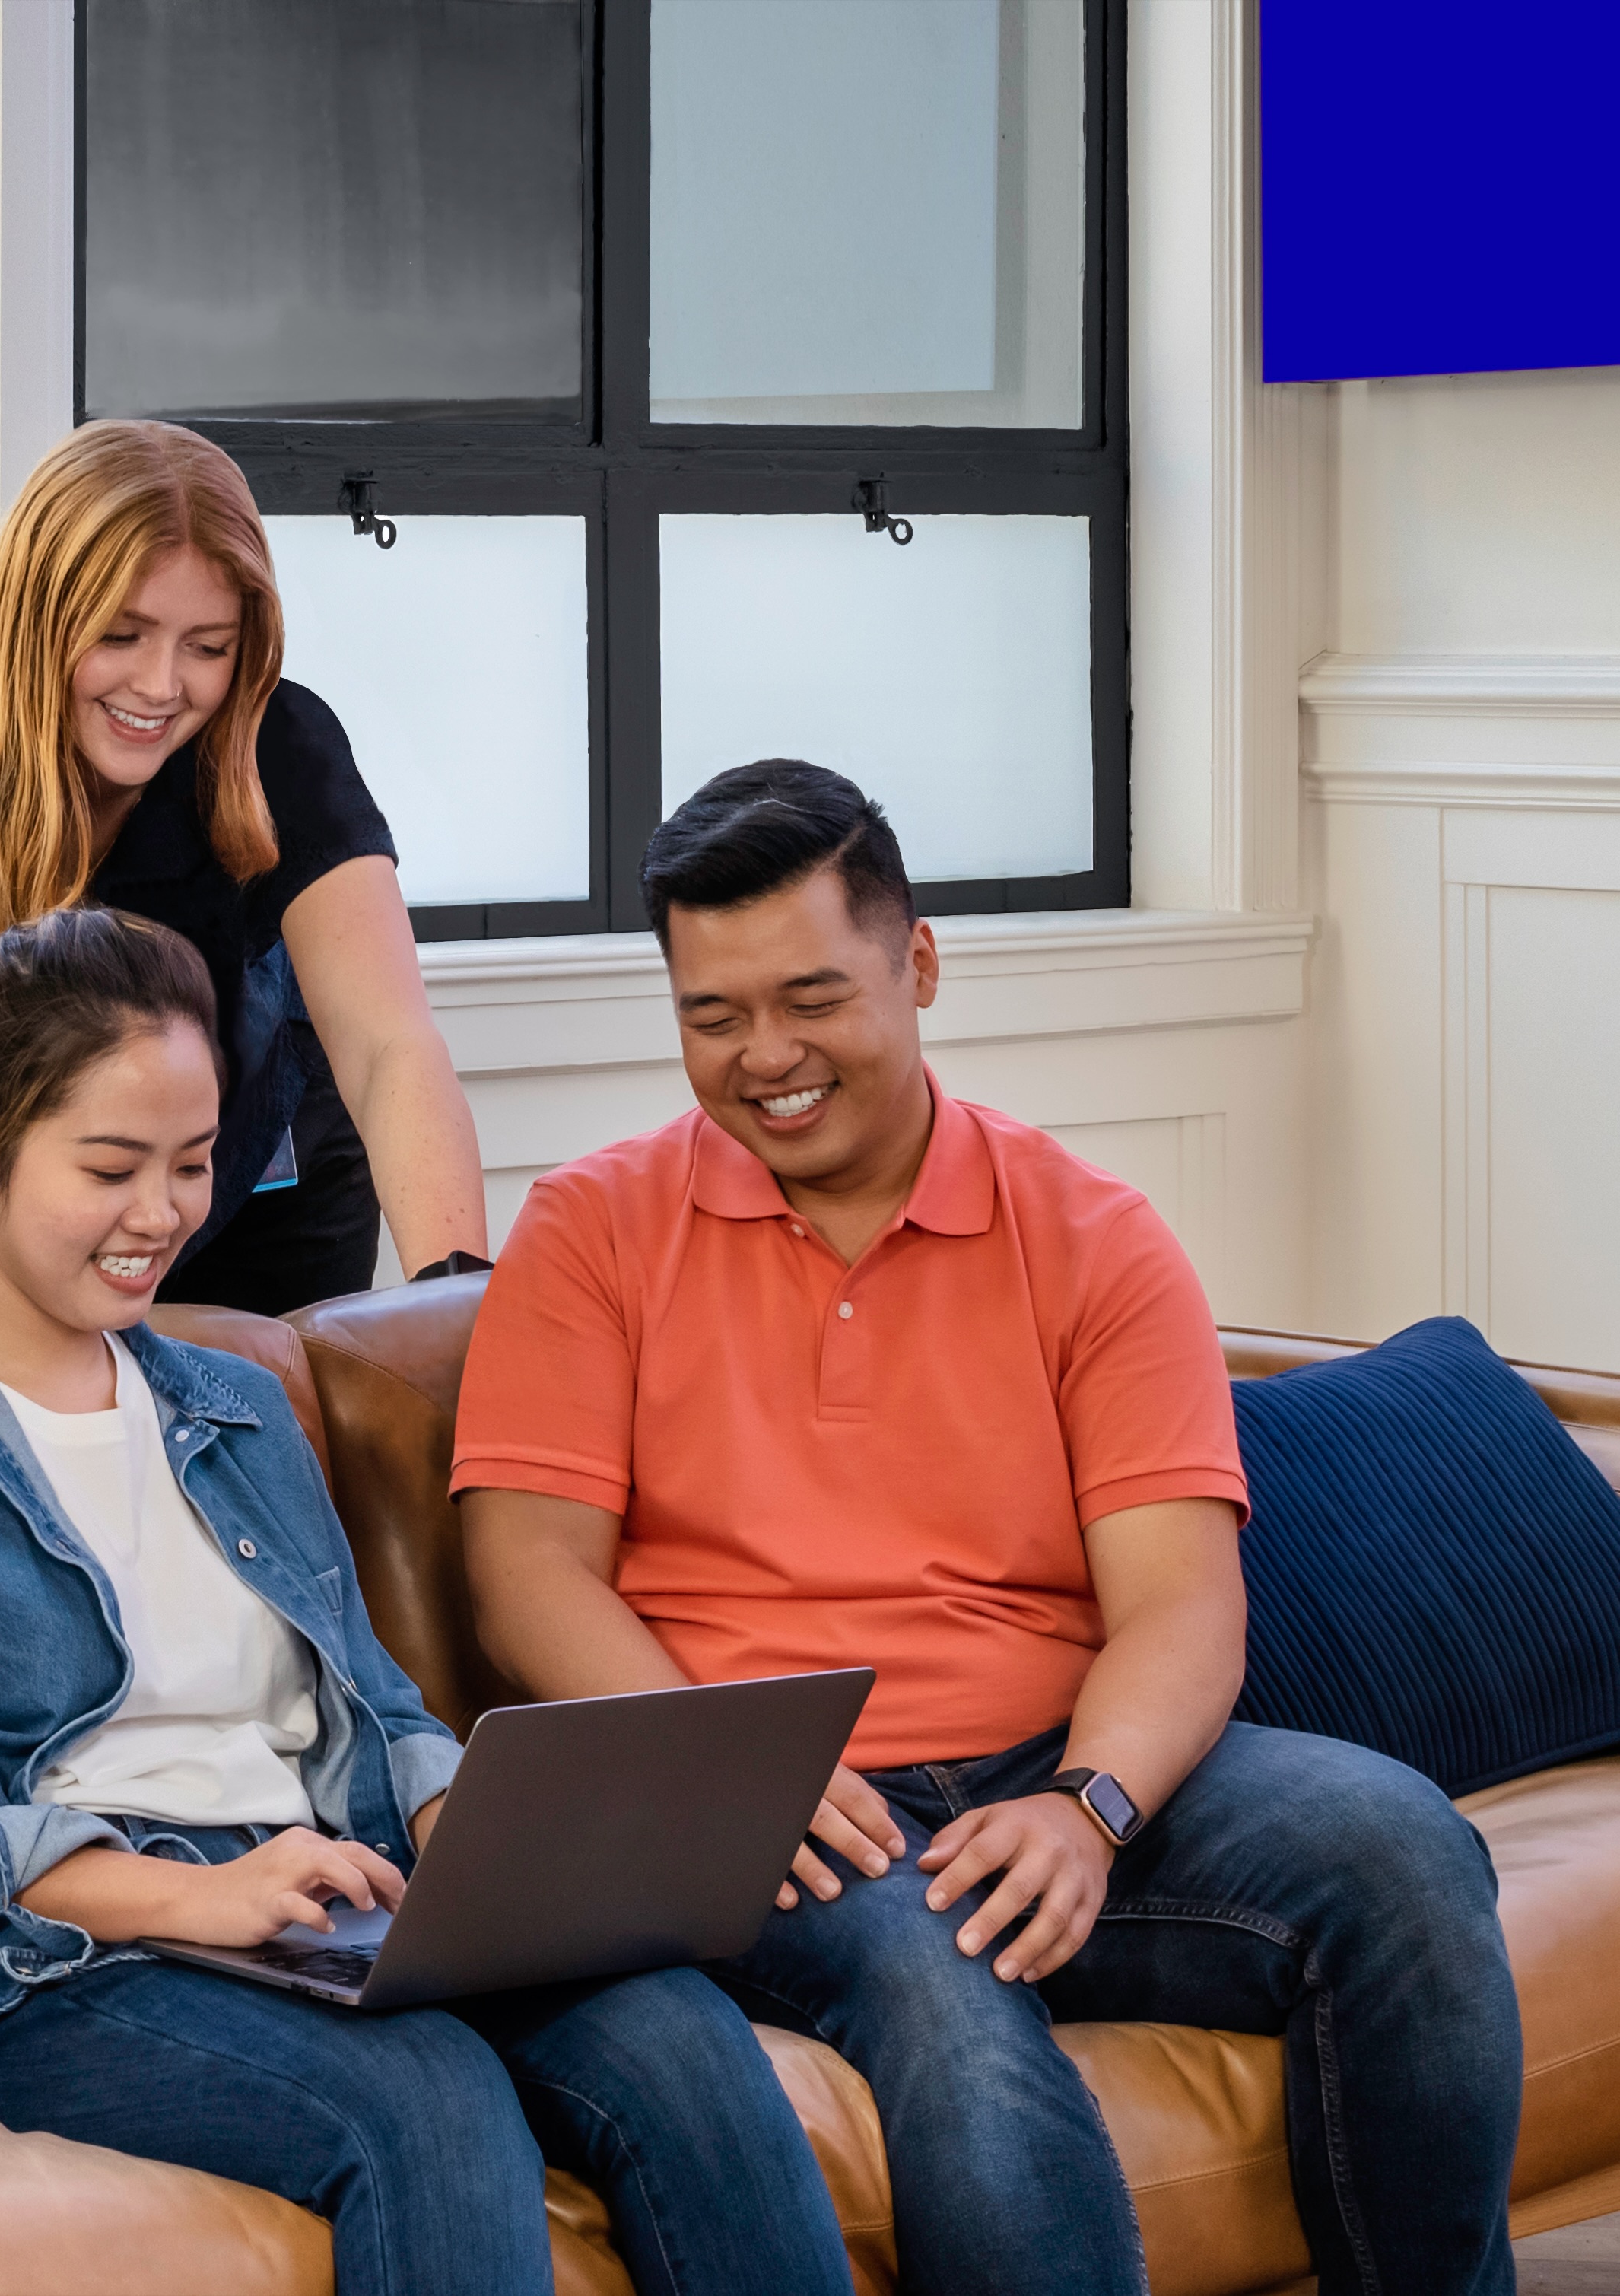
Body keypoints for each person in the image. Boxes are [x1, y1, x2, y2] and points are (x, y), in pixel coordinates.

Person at [452, 761, 1524, 2296]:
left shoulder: (1089, 1235)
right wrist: (719, 1764)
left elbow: (1175, 1603)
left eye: (810, 996)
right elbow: (522, 1571)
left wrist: (1087, 1808)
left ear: (920, 964)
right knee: (937, 1980)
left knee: (1402, 1854)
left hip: (1049, 1765)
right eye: (711, 1015)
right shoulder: (589, 1228)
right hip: (768, 1801)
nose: (763, 1057)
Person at [0, 905, 852, 2296]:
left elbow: (374, 1704)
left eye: (193, 1165)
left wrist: (483, 1842)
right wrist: (201, 1898)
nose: (160, 1216)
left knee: (681, 2038)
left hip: (321, 1895)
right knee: (424, 2096)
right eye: (110, 1165)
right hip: (71, 1964)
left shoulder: (232, 1407)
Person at [0, 418, 487, 1326]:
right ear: (37, 612)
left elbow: (388, 1045)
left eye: (207, 646)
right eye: (121, 635)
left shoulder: (276, 740)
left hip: (254, 1205)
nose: (161, 686)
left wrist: (455, 1321)